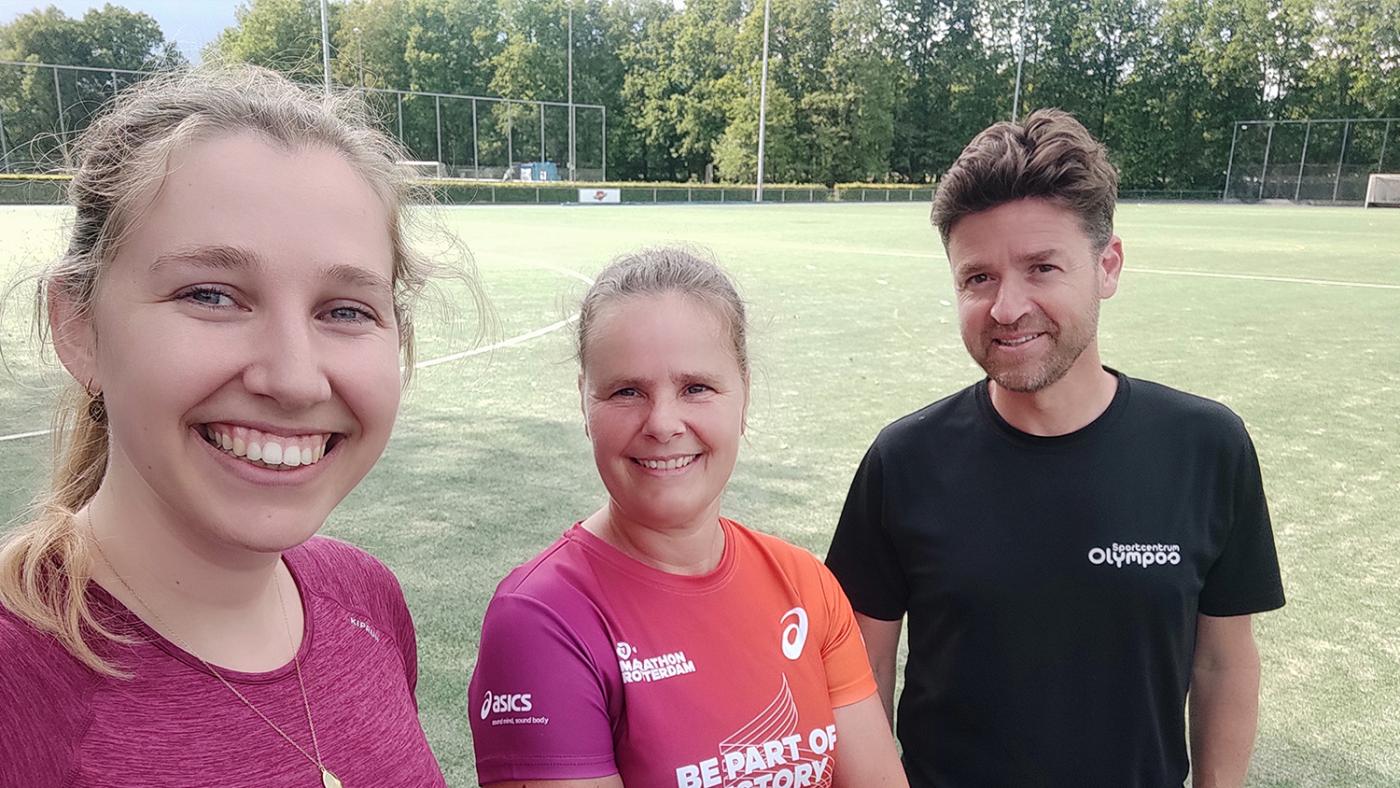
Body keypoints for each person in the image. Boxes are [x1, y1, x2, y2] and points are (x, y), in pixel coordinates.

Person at [0, 65, 450, 787]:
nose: (296, 379)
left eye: (344, 309)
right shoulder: (18, 686)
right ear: (79, 326)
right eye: (211, 295)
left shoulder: (365, 597)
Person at [825, 109, 1285, 788]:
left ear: (1108, 265)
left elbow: (1222, 662)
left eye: (1042, 267)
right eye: (977, 278)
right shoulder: (904, 461)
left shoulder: (1207, 447)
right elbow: (856, 677)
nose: (1007, 307)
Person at [468, 248, 907, 788]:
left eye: (696, 387)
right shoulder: (542, 620)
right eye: (627, 391)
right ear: (584, 401)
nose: (663, 422)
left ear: (744, 394)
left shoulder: (805, 585)